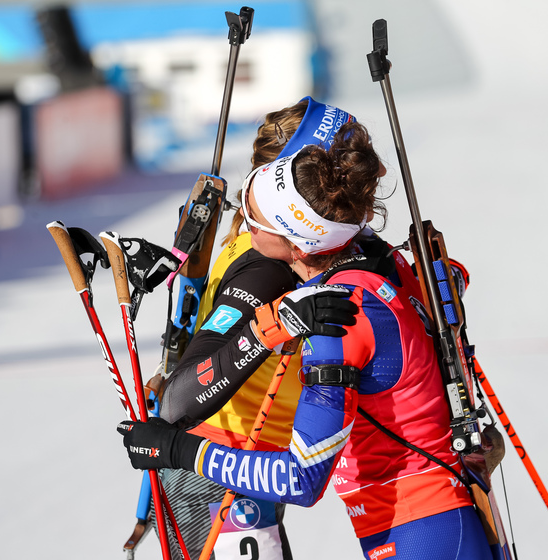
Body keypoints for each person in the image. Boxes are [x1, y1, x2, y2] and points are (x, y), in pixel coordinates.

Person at [119, 121, 494, 560]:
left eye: (256, 219)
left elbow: (300, 478)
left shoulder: (337, 314)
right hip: (428, 516)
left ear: (296, 244)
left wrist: (176, 449)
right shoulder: (374, 266)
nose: (245, 228)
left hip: (420, 526)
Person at [147, 97, 362, 560]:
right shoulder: (276, 262)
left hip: (238, 461)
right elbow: (184, 394)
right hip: (223, 466)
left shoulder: (257, 235)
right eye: (334, 167)